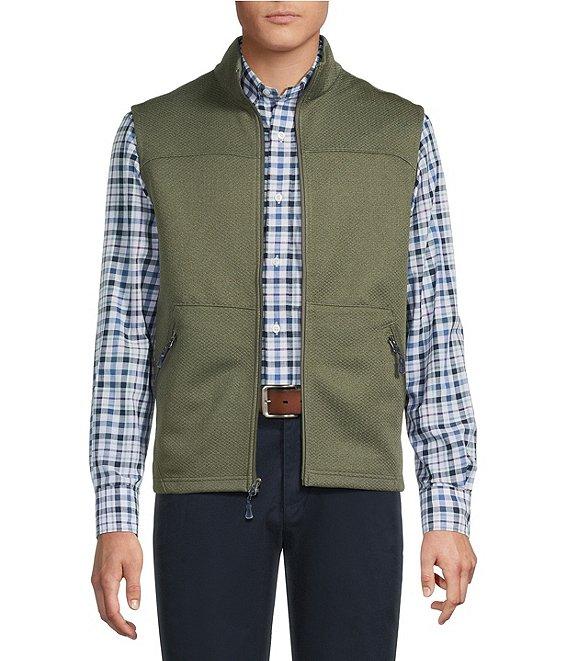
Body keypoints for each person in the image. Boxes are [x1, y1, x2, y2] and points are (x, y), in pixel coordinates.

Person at [89, 2, 477, 659]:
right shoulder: (153, 131)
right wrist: (114, 514)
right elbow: (125, 326)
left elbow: (433, 318)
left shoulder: (399, 131)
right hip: (205, 467)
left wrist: (447, 507)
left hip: (354, 465)